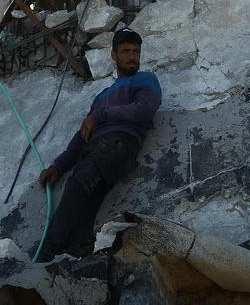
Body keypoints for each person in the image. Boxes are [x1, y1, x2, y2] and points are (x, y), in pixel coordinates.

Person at [36, 27, 161, 262]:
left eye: (136, 51)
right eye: (125, 51)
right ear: (113, 56)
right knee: (89, 198)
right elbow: (83, 134)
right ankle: (72, 253)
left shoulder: (147, 80)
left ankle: (46, 252)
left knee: (78, 185)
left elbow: (144, 110)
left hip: (118, 144)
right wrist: (58, 166)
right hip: (97, 149)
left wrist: (101, 116)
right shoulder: (102, 95)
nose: (131, 56)